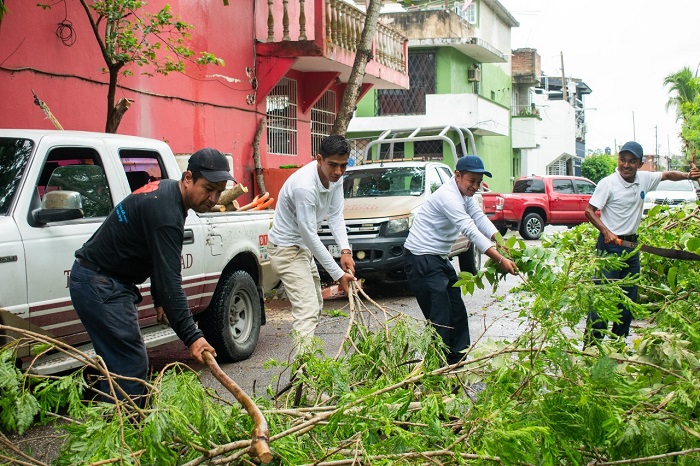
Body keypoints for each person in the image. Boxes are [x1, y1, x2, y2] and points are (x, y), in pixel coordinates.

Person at [69, 148, 231, 404]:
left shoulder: (168, 193)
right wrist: (193, 337)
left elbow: (157, 260)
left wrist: (159, 301)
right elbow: (170, 282)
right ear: (188, 178)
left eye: (219, 191)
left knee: (117, 364)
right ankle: (127, 434)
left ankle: (107, 427)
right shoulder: (166, 214)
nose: (213, 197)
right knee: (130, 365)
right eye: (208, 188)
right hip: (100, 284)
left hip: (98, 280)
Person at [404, 155, 517, 365]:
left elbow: (479, 217)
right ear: (458, 176)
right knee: (440, 318)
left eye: (478, 181)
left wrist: (499, 240)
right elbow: (470, 230)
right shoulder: (448, 196)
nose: (475, 186)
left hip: (438, 258)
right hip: (421, 258)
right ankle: (438, 367)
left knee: (457, 311)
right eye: (471, 181)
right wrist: (500, 259)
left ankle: (458, 360)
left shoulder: (465, 195)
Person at [584, 141, 700, 342]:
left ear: (639, 163)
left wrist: (689, 175)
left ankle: (618, 346)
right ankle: (592, 346)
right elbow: (589, 211)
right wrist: (606, 231)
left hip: (631, 248)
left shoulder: (644, 179)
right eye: (623, 160)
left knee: (628, 300)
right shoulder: (608, 183)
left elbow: (667, 175)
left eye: (632, 161)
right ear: (618, 160)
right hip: (610, 248)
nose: (626, 165)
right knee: (603, 299)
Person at [268, 135, 357, 358]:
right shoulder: (304, 187)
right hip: (286, 250)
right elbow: (309, 234)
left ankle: (306, 369)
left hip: (301, 249)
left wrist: (345, 251)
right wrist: (338, 274)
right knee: (307, 311)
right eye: (333, 165)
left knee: (316, 306)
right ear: (319, 159)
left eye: (343, 165)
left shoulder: (336, 179)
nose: (338, 171)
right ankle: (304, 381)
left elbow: (335, 215)